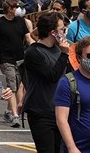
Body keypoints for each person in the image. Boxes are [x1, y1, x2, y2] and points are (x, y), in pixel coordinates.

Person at [20, 11, 71, 153]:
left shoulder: (57, 49)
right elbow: (52, 76)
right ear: (53, 32)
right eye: (62, 29)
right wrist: (64, 55)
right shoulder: (34, 52)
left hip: (61, 110)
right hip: (41, 111)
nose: (64, 32)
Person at [0, 0, 29, 127]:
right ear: (9, 9)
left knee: (18, 86)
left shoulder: (21, 21)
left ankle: (8, 111)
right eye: (16, 7)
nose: (18, 9)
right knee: (11, 85)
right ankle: (15, 116)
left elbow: (28, 37)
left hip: (20, 59)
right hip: (6, 60)